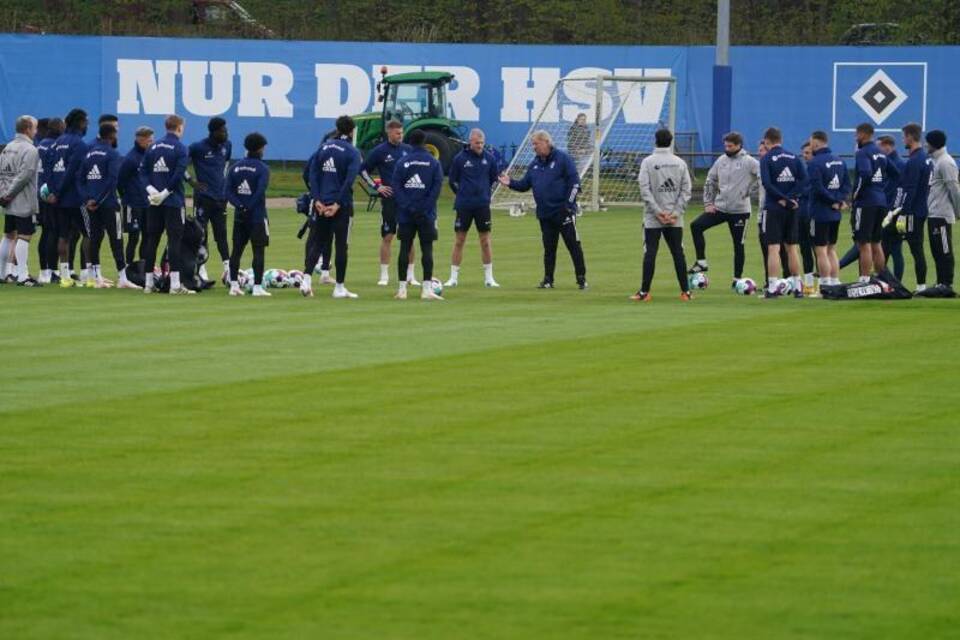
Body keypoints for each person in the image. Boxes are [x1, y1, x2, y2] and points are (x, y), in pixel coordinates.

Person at [498, 130, 587, 289]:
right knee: (549, 248)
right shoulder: (534, 164)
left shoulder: (563, 159)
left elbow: (575, 183)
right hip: (545, 214)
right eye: (533, 144)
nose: (534, 147)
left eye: (536, 143)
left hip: (563, 211)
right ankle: (548, 280)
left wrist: (568, 205)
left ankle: (581, 278)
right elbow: (525, 185)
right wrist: (510, 182)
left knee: (573, 245)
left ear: (546, 142)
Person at [689, 130, 759, 288]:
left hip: (740, 211)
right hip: (720, 208)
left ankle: (736, 280)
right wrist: (708, 203)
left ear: (738, 145)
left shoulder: (749, 161)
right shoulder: (721, 160)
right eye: (725, 145)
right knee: (696, 226)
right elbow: (710, 180)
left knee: (738, 245)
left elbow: (762, 177)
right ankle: (701, 262)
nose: (726, 148)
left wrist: (749, 191)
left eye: (730, 146)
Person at [303, 115, 361, 299]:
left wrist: (317, 199)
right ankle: (339, 288)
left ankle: (306, 279)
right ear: (351, 130)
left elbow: (312, 174)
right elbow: (349, 180)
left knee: (318, 242)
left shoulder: (324, 147)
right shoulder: (352, 152)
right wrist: (337, 203)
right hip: (340, 206)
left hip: (321, 204)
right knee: (341, 245)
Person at [632, 128, 692, 301]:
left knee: (650, 253)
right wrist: (675, 212)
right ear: (671, 141)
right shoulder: (680, 162)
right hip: (675, 217)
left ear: (655, 141)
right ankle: (685, 292)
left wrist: (658, 212)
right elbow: (686, 190)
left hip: (653, 217)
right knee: (678, 253)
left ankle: (644, 292)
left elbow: (645, 190)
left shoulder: (648, 162)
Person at [78, 122, 138, 289]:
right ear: (112, 136)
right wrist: (98, 200)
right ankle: (122, 278)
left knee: (95, 239)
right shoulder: (112, 154)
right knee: (116, 239)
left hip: (91, 205)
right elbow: (112, 180)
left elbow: (80, 180)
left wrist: (87, 199)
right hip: (108, 203)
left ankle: (97, 278)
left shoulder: (89, 154)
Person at [359, 120, 417, 286]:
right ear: (389, 133)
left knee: (409, 237)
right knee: (388, 235)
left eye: (401, 132)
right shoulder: (379, 151)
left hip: (407, 200)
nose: (400, 135)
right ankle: (384, 275)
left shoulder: (408, 150)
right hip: (390, 200)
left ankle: (411, 275)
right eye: (397, 133)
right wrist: (377, 186)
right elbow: (363, 170)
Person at [139, 114, 192, 295]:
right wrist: (165, 192)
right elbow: (178, 174)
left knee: (151, 240)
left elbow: (143, 171)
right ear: (178, 127)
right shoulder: (181, 148)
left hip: (153, 202)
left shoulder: (152, 146)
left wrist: (150, 189)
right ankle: (175, 284)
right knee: (174, 240)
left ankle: (148, 283)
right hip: (173, 201)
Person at [391, 128, 444, 300]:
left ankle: (402, 290)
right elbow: (436, 189)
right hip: (426, 214)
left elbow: (396, 187)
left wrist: (409, 206)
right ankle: (426, 289)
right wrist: (423, 208)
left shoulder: (403, 162)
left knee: (405, 248)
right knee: (427, 249)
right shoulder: (434, 162)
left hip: (406, 214)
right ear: (424, 142)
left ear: (410, 142)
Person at [445, 128, 500, 288]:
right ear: (470, 142)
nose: (480, 146)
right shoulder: (460, 159)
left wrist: (483, 194)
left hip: (482, 205)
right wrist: (462, 194)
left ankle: (489, 278)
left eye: (482, 143)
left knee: (485, 241)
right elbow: (452, 181)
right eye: (477, 143)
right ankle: (453, 278)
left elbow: (493, 179)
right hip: (464, 206)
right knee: (459, 240)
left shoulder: (489, 159)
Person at [759, 126, 806, 298]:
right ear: (781, 140)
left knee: (773, 248)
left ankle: (773, 287)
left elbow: (767, 183)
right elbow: (804, 179)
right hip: (792, 208)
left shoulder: (767, 158)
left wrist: (781, 198)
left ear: (766, 141)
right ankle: (798, 286)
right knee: (792, 248)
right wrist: (792, 197)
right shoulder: (793, 157)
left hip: (774, 207)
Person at [46, 108, 89, 288]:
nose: (87, 125)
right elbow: (72, 171)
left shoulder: (56, 143)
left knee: (63, 236)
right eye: (86, 122)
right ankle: (88, 275)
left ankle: (64, 277)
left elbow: (47, 168)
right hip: (75, 197)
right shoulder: (79, 144)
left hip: (58, 200)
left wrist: (52, 192)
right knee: (90, 233)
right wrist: (61, 191)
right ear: (80, 123)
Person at [187, 117, 232, 282]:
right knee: (200, 233)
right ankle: (201, 267)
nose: (226, 133)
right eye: (222, 130)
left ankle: (228, 268)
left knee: (221, 234)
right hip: (203, 198)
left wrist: (225, 188)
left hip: (220, 199)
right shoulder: (198, 147)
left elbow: (225, 168)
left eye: (226, 130)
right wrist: (191, 181)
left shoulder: (227, 146)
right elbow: (181, 164)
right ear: (213, 132)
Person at [226, 133, 271, 297]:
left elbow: (228, 191)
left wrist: (240, 206)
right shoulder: (263, 168)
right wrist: (249, 206)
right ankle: (258, 287)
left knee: (236, 251)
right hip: (257, 216)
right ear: (260, 148)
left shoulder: (235, 167)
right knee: (258, 250)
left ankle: (234, 286)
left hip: (240, 216)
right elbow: (260, 191)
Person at [0, 115, 42, 286]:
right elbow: (25, 175)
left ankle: (2, 273)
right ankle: (23, 275)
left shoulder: (7, 148)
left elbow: (2, 174)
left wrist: (3, 193)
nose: (36, 131)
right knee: (24, 236)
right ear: (27, 129)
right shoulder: (30, 150)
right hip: (22, 199)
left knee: (8, 235)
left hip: (6, 199)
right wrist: (9, 193)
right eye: (35, 128)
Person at [806, 130, 850, 291]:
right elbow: (846, 185)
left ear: (816, 143)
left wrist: (833, 201)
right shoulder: (840, 161)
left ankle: (824, 283)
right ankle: (835, 281)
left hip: (820, 212)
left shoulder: (815, 163)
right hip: (835, 213)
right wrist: (839, 201)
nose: (810, 146)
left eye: (811, 143)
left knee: (821, 250)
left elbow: (817, 188)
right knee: (832, 248)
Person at [895, 123, 932, 292]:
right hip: (922, 208)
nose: (903, 139)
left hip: (913, 212)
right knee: (914, 248)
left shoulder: (914, 161)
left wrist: (904, 211)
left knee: (915, 249)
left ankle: (921, 286)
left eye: (904, 136)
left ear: (910, 136)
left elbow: (910, 189)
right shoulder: (926, 158)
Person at [922, 129, 960, 295]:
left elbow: (954, 189)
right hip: (934, 214)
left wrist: (958, 211)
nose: (925, 145)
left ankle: (947, 283)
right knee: (937, 249)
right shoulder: (937, 161)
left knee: (944, 249)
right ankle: (940, 282)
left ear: (933, 144)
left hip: (942, 214)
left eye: (927, 142)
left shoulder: (946, 162)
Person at [851, 122, 888, 281]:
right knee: (876, 242)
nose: (855, 137)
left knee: (863, 243)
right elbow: (894, 172)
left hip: (866, 202)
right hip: (880, 200)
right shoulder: (881, 153)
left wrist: (856, 193)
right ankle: (882, 278)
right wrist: (881, 188)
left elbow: (865, 174)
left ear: (863, 134)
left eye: (856, 134)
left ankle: (864, 280)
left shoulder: (862, 152)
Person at [117, 126, 154, 267]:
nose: (151, 143)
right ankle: (128, 267)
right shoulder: (130, 159)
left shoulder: (150, 156)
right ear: (140, 140)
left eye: (152, 140)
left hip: (148, 203)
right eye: (149, 140)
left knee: (147, 235)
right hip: (133, 204)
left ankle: (143, 266)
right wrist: (128, 199)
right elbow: (120, 181)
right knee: (134, 236)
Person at [36, 117, 64, 283]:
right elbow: (51, 172)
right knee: (53, 231)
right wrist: (51, 193)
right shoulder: (53, 146)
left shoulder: (40, 145)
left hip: (40, 191)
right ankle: (52, 270)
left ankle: (44, 270)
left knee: (46, 231)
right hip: (48, 192)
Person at [301, 146, 333, 284]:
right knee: (314, 234)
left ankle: (325, 272)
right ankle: (308, 270)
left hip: (325, 199)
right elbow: (307, 174)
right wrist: (315, 192)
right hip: (320, 200)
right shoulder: (319, 155)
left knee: (328, 235)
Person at [877, 134, 905, 282]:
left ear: (887, 146)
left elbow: (900, 190)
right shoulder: (889, 162)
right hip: (886, 210)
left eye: (879, 146)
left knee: (895, 249)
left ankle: (897, 281)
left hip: (893, 213)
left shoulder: (898, 164)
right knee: (885, 247)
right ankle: (885, 279)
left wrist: (894, 211)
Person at [798, 141, 817, 295]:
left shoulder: (816, 169)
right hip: (801, 214)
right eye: (803, 153)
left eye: (808, 153)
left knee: (819, 249)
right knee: (804, 248)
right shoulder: (804, 170)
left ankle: (826, 282)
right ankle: (809, 284)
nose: (805, 156)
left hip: (814, 214)